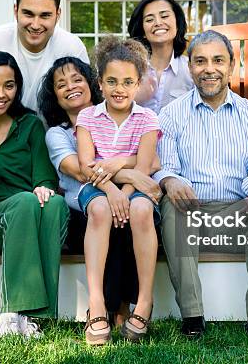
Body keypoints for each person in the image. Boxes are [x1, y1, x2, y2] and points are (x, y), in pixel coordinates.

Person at [155, 30, 248, 339]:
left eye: (218, 60)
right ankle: (192, 317)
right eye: (200, 61)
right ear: (190, 66)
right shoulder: (171, 115)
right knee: (171, 202)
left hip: (240, 213)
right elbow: (161, 168)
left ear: (231, 65)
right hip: (192, 213)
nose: (209, 69)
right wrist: (169, 180)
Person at [38, 57, 161, 330]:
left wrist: (118, 166)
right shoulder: (59, 134)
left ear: (90, 84)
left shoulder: (134, 117)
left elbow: (152, 162)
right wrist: (128, 174)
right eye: (61, 84)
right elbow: (83, 170)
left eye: (76, 79)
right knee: (106, 214)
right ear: (102, 84)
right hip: (83, 202)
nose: (71, 86)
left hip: (117, 197)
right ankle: (107, 307)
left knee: (128, 217)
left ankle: (124, 308)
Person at [0, 51, 68, 337]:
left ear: (18, 88)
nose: (1, 93)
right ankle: (11, 314)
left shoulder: (29, 124)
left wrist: (44, 186)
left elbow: (43, 175)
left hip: (26, 213)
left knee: (54, 205)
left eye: (9, 85)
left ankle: (34, 318)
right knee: (24, 202)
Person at [75, 37, 161, 344]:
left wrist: (122, 186)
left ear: (138, 84)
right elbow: (87, 165)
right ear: (100, 83)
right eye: (111, 81)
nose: (119, 89)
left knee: (141, 209)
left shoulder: (147, 118)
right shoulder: (88, 117)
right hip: (97, 189)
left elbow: (146, 163)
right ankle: (96, 303)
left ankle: (145, 301)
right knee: (99, 210)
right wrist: (112, 191)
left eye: (127, 82)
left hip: (132, 188)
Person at [128, 0, 194, 113]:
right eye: (149, 19)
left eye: (164, 16)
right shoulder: (129, 69)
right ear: (142, 30)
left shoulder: (191, 70)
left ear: (177, 24)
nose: (158, 23)